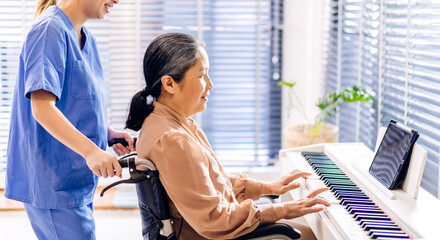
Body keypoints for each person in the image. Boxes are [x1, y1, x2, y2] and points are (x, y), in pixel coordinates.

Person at [125, 32, 331, 240]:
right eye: (201, 75)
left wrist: (266, 187)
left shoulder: (167, 123)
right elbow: (213, 218)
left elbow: (206, 183)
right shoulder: (172, 140)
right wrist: (282, 210)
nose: (210, 84)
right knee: (315, 236)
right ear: (169, 84)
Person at [4, 0, 134, 239]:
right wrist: (91, 152)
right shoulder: (48, 30)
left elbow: (75, 104)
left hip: (75, 179)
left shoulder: (86, 38)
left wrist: (106, 133)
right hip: (53, 182)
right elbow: (42, 108)